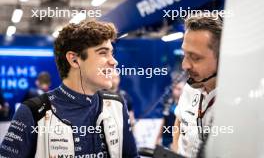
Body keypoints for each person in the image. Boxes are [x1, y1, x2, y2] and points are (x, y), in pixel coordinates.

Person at [0, 20, 138, 158]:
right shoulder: (32, 112)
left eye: (112, 53)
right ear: (74, 60)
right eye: (103, 53)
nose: (114, 61)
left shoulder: (117, 106)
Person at [172, 13, 222, 157]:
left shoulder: (239, 104)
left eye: (195, 57)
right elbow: (179, 121)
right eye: (185, 55)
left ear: (223, 56)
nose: (184, 65)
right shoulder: (190, 87)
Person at [155, 78, 185, 148]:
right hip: (165, 142)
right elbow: (164, 121)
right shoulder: (169, 104)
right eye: (175, 88)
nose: (176, 91)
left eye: (179, 89)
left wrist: (175, 144)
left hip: (175, 143)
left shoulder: (185, 108)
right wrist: (157, 138)